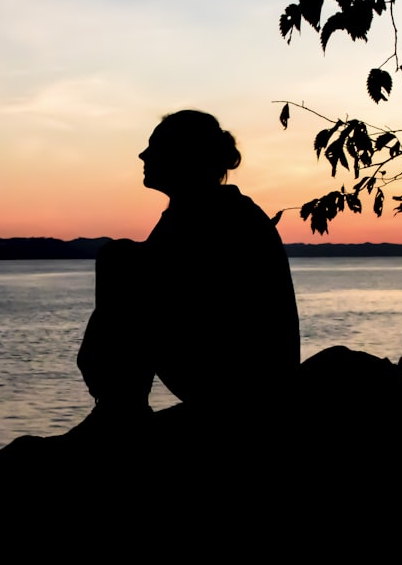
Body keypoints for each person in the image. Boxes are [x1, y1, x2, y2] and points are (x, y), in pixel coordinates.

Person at [76, 110, 300, 431]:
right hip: (232, 375)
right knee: (121, 257)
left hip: (241, 385)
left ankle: (120, 407)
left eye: (154, 146)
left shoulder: (215, 215)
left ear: (183, 155)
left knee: (119, 256)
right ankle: (119, 404)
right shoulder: (199, 210)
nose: (143, 154)